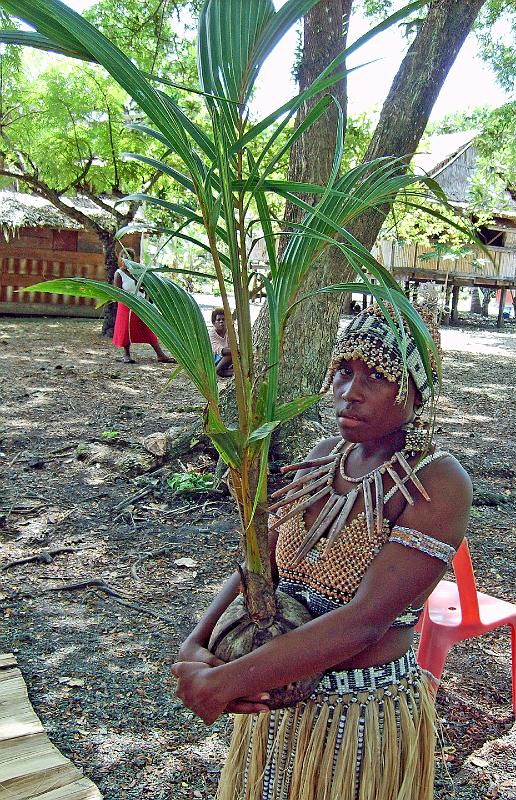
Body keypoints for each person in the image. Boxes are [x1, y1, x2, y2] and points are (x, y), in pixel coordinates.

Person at [172, 302, 472, 800]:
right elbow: (258, 567)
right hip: (274, 700)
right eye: (344, 372)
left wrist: (227, 681)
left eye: (376, 376)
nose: (349, 393)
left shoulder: (437, 484)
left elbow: (364, 621)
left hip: (357, 714)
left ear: (417, 391)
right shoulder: (319, 459)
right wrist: (197, 641)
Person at [112, 254, 175, 364]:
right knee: (126, 329)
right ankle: (126, 355)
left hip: (141, 304)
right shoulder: (119, 273)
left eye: (129, 258)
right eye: (123, 257)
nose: (126, 260)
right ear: (120, 259)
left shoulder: (138, 272)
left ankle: (161, 355)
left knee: (148, 328)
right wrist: (129, 300)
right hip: (126, 305)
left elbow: (146, 287)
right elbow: (117, 292)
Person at [209, 307, 233, 378]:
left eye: (223, 319)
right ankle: (216, 371)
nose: (221, 322)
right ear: (214, 323)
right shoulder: (211, 334)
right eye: (218, 320)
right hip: (216, 358)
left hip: (228, 361)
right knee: (231, 353)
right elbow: (220, 350)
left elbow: (236, 343)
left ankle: (222, 372)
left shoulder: (231, 331)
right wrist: (235, 350)